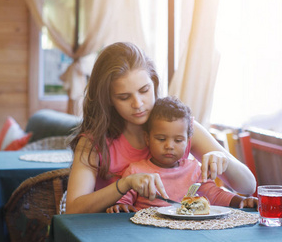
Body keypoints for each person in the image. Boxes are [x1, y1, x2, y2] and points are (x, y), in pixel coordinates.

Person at [65, 42, 256, 214]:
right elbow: (73, 209)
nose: (138, 103)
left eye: (144, 90)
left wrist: (225, 160)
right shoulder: (94, 142)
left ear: (154, 84)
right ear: (108, 99)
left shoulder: (182, 127)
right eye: (124, 97)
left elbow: (248, 185)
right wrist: (124, 184)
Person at [106, 96, 256, 213]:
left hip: (187, 233)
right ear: (147, 138)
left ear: (188, 141)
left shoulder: (194, 170)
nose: (169, 146)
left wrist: (241, 201)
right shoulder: (136, 172)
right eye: (161, 139)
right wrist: (120, 206)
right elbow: (123, 201)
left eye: (178, 140)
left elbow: (215, 195)